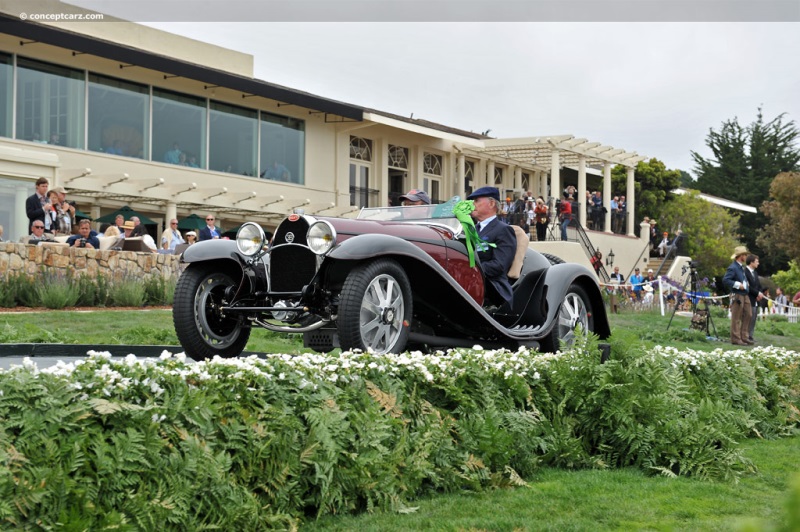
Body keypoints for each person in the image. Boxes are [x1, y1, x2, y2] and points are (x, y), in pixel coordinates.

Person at [467, 186, 517, 308]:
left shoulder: (503, 230)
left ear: (491, 203)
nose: (472, 204)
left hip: (493, 290)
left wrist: (470, 270)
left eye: (476, 201)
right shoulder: (470, 230)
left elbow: (499, 265)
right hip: (470, 284)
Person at [722, 246, 752, 346]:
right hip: (737, 294)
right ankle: (736, 338)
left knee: (748, 314)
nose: (746, 256)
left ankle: (744, 336)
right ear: (740, 256)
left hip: (745, 294)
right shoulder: (733, 267)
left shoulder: (741, 267)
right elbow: (726, 280)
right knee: (736, 317)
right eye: (745, 255)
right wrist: (738, 285)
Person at [744, 254, 763, 344]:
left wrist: (760, 293)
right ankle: (745, 336)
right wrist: (757, 293)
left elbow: (758, 285)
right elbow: (748, 286)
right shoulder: (745, 272)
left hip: (755, 299)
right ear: (751, 262)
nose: (758, 263)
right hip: (748, 298)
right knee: (748, 317)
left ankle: (750, 335)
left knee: (754, 317)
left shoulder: (755, 273)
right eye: (757, 261)